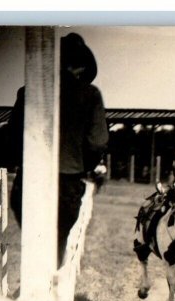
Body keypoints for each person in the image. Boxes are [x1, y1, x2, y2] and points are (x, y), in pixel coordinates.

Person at [8, 32, 109, 265]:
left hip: (29, 179)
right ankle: (47, 292)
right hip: (68, 183)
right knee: (56, 248)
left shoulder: (28, 91)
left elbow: (12, 138)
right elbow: (97, 142)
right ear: (81, 66)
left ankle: (34, 290)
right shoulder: (90, 94)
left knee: (34, 246)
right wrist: (83, 165)